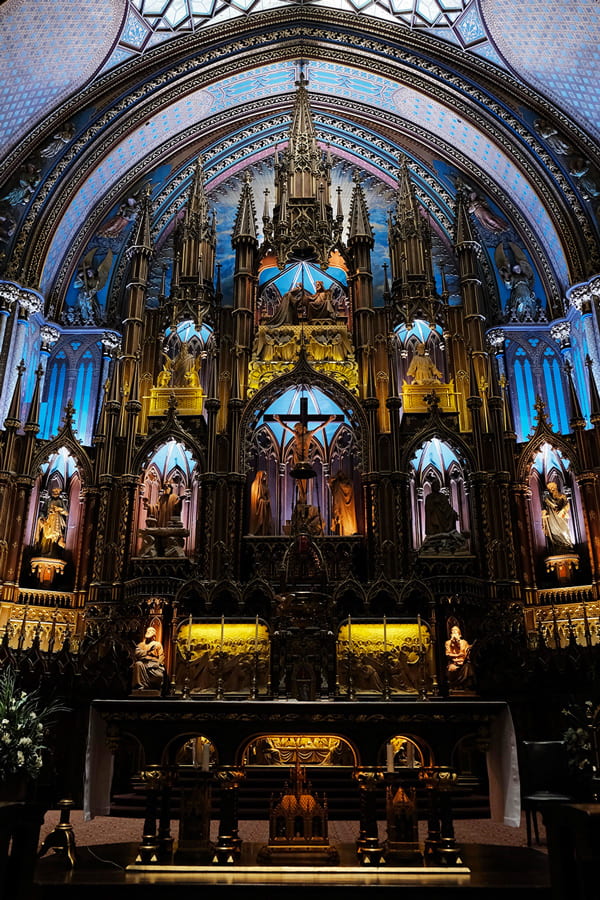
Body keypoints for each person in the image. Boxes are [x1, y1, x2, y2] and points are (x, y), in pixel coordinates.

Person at [274, 415, 336, 504]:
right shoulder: (296, 435)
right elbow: (286, 427)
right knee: (298, 478)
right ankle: (301, 495)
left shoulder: (309, 434)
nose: (296, 430)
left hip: (305, 458)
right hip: (297, 457)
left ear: (302, 428)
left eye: (297, 428)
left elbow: (320, 427)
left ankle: (303, 496)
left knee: (303, 477)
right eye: (296, 429)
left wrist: (329, 420)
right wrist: (279, 420)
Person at [35, 487, 69, 557]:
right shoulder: (49, 500)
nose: (55, 493)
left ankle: (53, 553)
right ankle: (44, 551)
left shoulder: (60, 501)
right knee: (46, 536)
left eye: (57, 492)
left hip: (56, 520)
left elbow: (66, 513)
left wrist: (60, 509)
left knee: (55, 537)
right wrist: (42, 518)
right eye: (54, 492)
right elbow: (43, 510)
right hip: (48, 520)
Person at [542, 482, 574, 553]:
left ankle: (566, 544)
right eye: (550, 488)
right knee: (554, 531)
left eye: (552, 487)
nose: (551, 489)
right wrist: (544, 513)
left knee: (564, 530)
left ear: (556, 487)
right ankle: (557, 545)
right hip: (552, 517)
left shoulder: (562, 496)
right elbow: (544, 508)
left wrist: (562, 510)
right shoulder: (547, 499)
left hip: (561, 516)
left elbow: (567, 505)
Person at [132, 626, 165, 691]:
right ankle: (140, 686)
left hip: (153, 665)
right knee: (138, 664)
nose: (149, 632)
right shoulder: (141, 645)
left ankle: (153, 687)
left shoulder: (157, 644)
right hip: (143, 664)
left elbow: (161, 656)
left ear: (154, 635)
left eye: (151, 631)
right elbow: (137, 653)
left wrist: (158, 663)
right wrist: (147, 651)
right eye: (148, 631)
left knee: (159, 676)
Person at [328, 470, 357, 535]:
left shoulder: (345, 484)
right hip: (339, 505)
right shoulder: (337, 484)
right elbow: (330, 483)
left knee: (345, 520)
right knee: (339, 518)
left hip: (346, 509)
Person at [445, 623, 474, 689]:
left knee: (468, 667)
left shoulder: (464, 642)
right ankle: (454, 685)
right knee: (451, 669)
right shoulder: (448, 643)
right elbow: (448, 654)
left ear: (459, 634)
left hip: (463, 663)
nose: (454, 633)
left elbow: (465, 654)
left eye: (456, 631)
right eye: (453, 632)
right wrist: (457, 655)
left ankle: (467, 686)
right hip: (453, 662)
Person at [249, 470, 273, 535]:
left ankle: (265, 531)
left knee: (267, 520)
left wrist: (268, 500)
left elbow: (268, 495)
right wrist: (263, 502)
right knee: (260, 519)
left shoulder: (265, 485)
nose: (265, 477)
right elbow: (256, 498)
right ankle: (258, 531)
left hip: (265, 506)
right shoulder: (255, 485)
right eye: (263, 475)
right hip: (260, 507)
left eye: (265, 475)